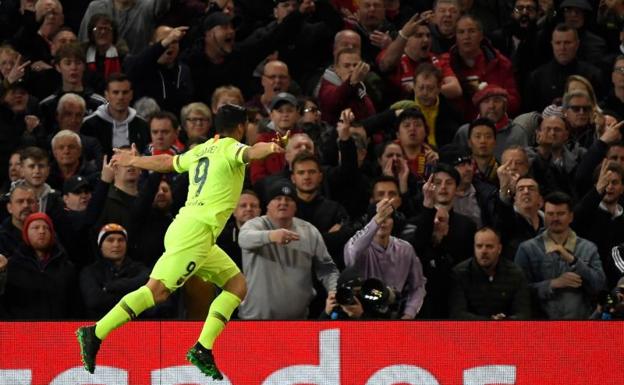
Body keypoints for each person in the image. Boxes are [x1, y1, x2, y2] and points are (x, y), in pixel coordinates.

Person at [75, 103, 283, 379]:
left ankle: (202, 348)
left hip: (192, 229)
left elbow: (167, 162)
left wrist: (134, 161)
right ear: (241, 127)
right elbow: (252, 152)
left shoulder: (202, 149)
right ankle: (95, 333)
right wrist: (269, 147)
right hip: (195, 234)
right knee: (157, 291)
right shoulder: (232, 147)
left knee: (236, 284)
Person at [237, 180, 339, 319]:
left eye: (289, 199)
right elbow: (243, 238)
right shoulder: (255, 225)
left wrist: (334, 290)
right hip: (255, 322)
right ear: (267, 205)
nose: (283, 202)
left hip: (297, 322)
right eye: (277, 198)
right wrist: (271, 236)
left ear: (295, 207)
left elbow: (327, 268)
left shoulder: (308, 231)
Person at [515, 191, 606, 319]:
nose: (555, 218)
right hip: (541, 328)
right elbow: (519, 293)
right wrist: (552, 284)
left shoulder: (588, 248)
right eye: (550, 214)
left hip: (581, 326)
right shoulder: (527, 249)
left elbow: (600, 287)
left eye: (561, 214)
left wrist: (573, 261)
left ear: (571, 217)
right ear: (544, 215)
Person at [343, 197, 426, 319]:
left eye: (387, 217)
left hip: (395, 313)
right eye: (379, 217)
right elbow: (354, 251)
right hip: (362, 313)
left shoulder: (405, 249)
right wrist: (377, 219)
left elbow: (418, 285)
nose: (383, 221)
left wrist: (409, 314)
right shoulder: (356, 245)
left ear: (393, 221)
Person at [449, 227, 531, 320]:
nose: (484, 251)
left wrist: (505, 322)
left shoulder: (515, 273)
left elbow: (523, 313)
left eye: (489, 246)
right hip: (472, 332)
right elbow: (458, 314)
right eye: (479, 246)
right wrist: (490, 322)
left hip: (507, 331)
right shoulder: (460, 273)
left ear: (499, 249)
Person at [79, 223, 150, 318]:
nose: (116, 244)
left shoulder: (140, 269)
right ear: (100, 245)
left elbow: (148, 288)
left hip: (135, 328)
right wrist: (133, 298)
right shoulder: (89, 272)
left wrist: (110, 287)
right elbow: (94, 301)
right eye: (110, 240)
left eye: (121, 240)